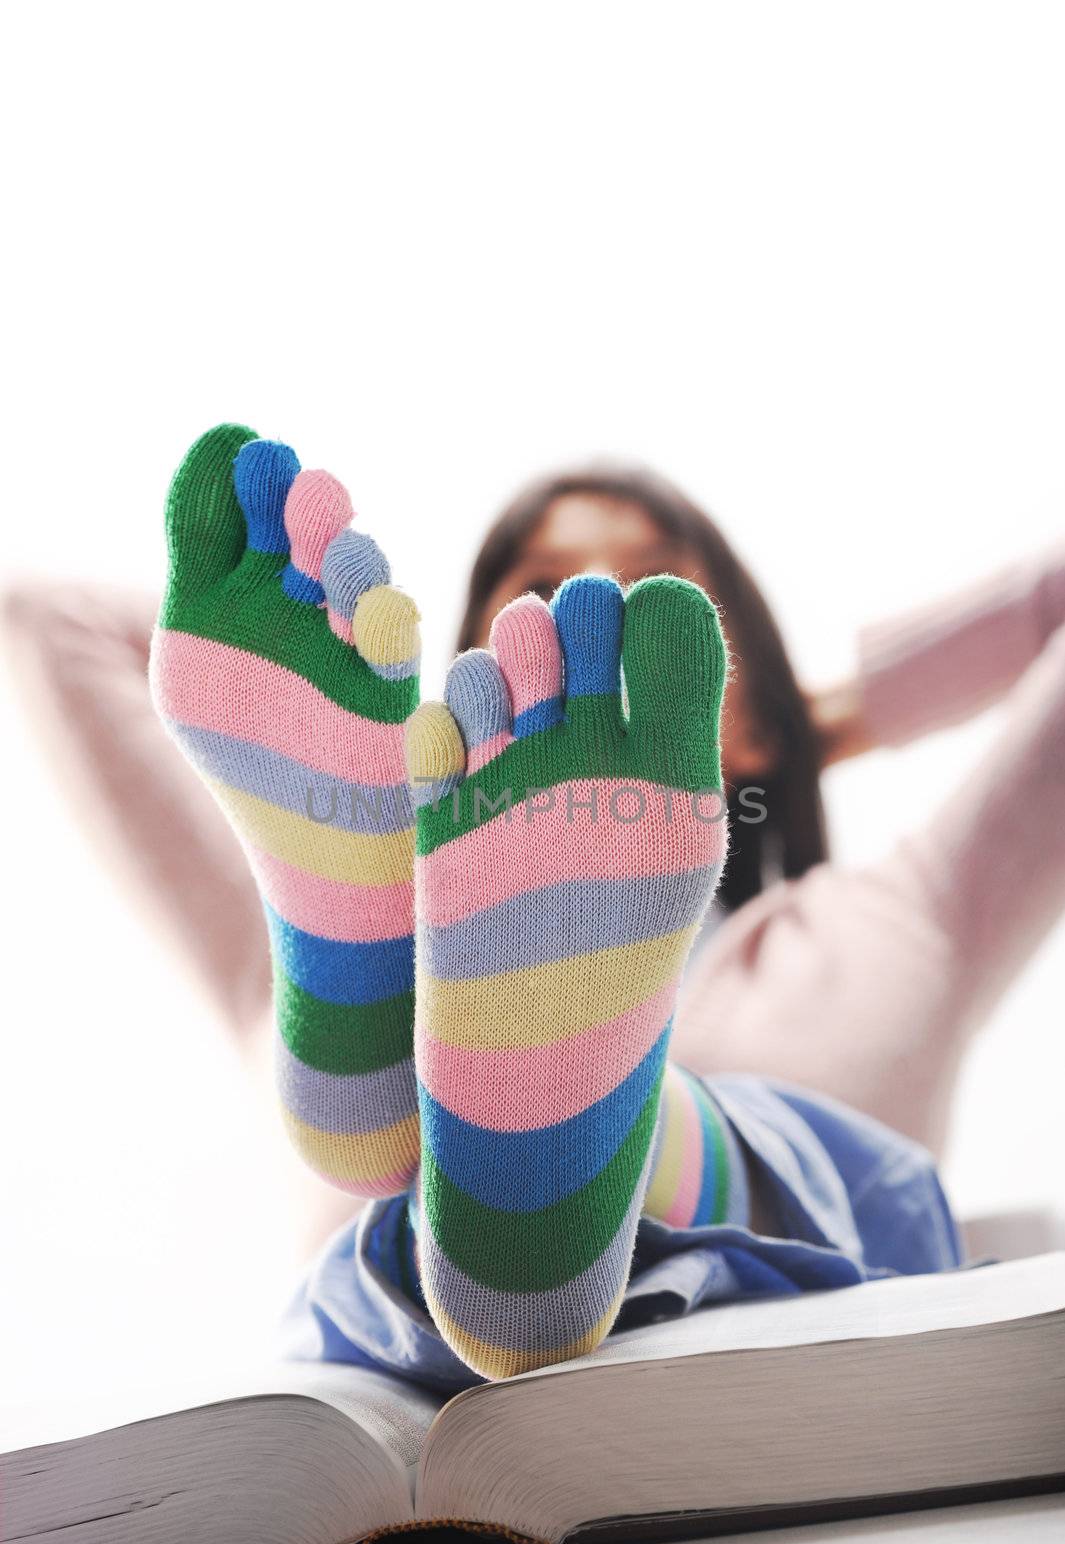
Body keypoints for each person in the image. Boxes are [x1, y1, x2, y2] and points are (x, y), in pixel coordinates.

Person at [3, 429, 1063, 1373]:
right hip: (410, 1381)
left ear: (744, 698)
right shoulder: (329, 904)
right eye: (541, 587)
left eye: (650, 588)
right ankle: (484, 1171)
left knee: (722, 1132)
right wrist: (380, 749)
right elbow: (44, 620)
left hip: (804, 1339)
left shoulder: (906, 914)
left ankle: (483, 1143)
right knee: (401, 1047)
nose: (578, 612)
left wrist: (812, 720)